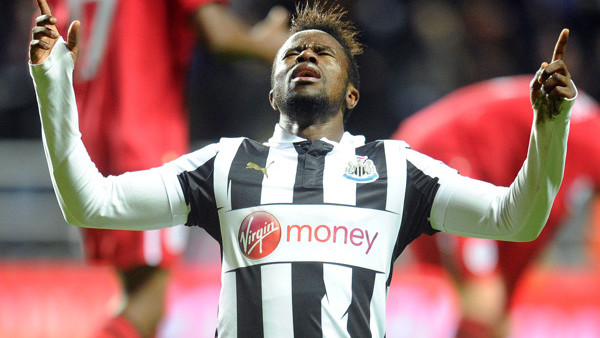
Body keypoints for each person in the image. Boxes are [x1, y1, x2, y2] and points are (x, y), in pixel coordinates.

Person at [30, 0, 576, 336]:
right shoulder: (223, 163)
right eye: (291, 54)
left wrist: (548, 128)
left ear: (353, 93)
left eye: (322, 52)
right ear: (272, 94)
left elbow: (516, 219)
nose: (305, 57)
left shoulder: (396, 168)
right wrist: (53, 84)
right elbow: (91, 203)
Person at [29, 0, 288, 337]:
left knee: (134, 293)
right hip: (141, 139)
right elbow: (218, 34)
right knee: (150, 303)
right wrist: (272, 45)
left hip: (88, 136)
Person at [392, 75, 600, 337]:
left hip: (426, 144)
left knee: (490, 306)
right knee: (485, 300)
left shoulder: (586, 131)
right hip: (443, 156)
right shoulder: (587, 144)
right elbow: (533, 224)